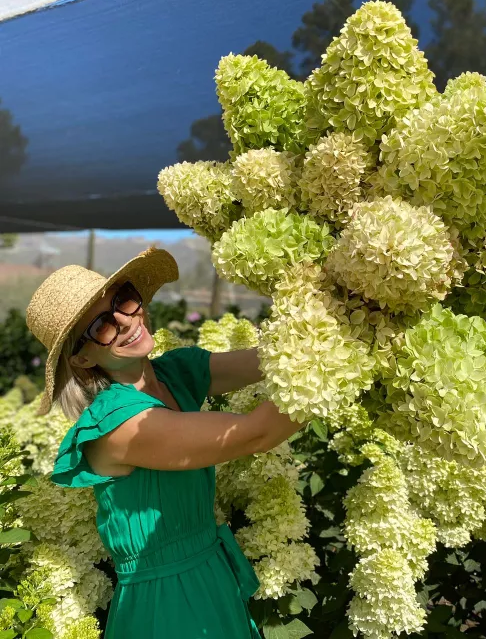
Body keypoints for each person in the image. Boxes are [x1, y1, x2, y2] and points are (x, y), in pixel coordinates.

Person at [26, 247, 302, 639]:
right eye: (102, 326)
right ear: (83, 360)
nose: (125, 320)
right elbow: (257, 433)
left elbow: (273, 358)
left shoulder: (177, 372)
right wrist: (338, 363)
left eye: (122, 299)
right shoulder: (117, 426)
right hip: (166, 606)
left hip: (214, 577)